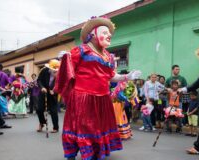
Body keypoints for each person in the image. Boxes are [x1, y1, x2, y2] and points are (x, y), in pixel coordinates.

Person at [55, 17, 141, 160]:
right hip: (84, 97)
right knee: (84, 127)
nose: (109, 35)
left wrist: (127, 76)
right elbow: (68, 67)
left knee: (98, 128)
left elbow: (111, 76)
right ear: (93, 34)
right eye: (105, 32)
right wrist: (65, 58)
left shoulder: (108, 56)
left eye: (110, 34)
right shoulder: (82, 50)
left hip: (102, 98)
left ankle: (95, 152)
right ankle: (80, 151)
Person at [36, 59, 60, 133]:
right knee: (39, 109)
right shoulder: (44, 70)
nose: (54, 72)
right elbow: (39, 80)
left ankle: (55, 127)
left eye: (56, 70)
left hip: (53, 94)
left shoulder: (60, 73)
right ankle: (42, 122)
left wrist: (55, 91)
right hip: (44, 92)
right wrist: (42, 87)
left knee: (53, 111)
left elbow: (61, 84)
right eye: (53, 70)